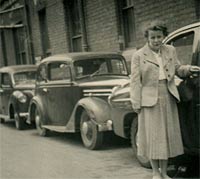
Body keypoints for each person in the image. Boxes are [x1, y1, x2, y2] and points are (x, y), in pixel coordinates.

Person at [130, 20, 200, 179]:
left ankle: (164, 171)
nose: (156, 40)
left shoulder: (170, 50)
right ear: (147, 38)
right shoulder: (139, 56)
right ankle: (155, 172)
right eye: (152, 37)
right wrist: (136, 103)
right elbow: (134, 81)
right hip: (149, 100)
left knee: (166, 136)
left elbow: (177, 69)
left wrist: (188, 69)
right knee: (154, 137)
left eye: (159, 37)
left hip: (168, 96)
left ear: (164, 36)